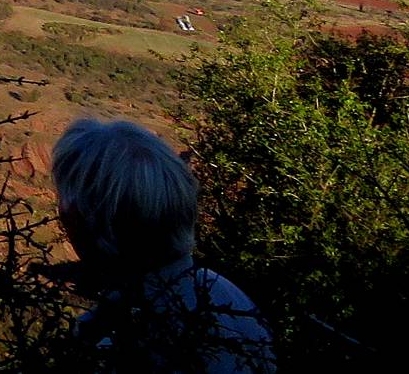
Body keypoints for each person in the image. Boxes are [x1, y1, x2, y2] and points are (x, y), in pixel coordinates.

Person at [52, 118, 274, 373]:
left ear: (88, 219)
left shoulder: (134, 339)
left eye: (68, 206)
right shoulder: (226, 296)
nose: (63, 215)